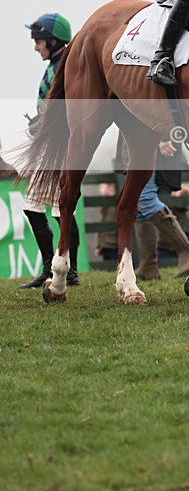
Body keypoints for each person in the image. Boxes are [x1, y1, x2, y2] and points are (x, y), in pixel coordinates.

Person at [19, 14, 81, 289]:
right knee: (34, 206)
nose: (35, 47)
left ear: (53, 41)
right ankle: (50, 267)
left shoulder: (66, 67)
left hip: (60, 145)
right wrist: (39, 122)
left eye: (39, 41)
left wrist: (44, 123)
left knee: (58, 209)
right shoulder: (55, 65)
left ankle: (70, 270)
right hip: (50, 144)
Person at [115, 134, 189, 280]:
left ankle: (186, 250)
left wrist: (163, 137)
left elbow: (156, 112)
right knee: (138, 205)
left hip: (145, 146)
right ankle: (148, 266)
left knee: (146, 199)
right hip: (135, 146)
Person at [94, 182, 119, 267]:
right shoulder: (104, 207)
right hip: (105, 245)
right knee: (107, 267)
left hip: (114, 245)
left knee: (114, 266)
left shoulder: (116, 206)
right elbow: (101, 227)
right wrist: (98, 245)